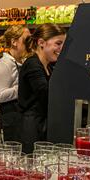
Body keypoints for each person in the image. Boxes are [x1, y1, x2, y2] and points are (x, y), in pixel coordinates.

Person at [18, 23, 66, 153]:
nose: (61, 48)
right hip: (32, 127)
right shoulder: (33, 65)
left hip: (42, 124)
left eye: (63, 44)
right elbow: (46, 95)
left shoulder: (49, 66)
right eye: (58, 43)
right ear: (41, 42)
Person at [0, 25, 31, 142]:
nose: (30, 44)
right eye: (26, 40)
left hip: (22, 115)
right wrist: (23, 88)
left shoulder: (23, 61)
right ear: (14, 42)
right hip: (11, 117)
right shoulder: (4, 64)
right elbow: (0, 95)